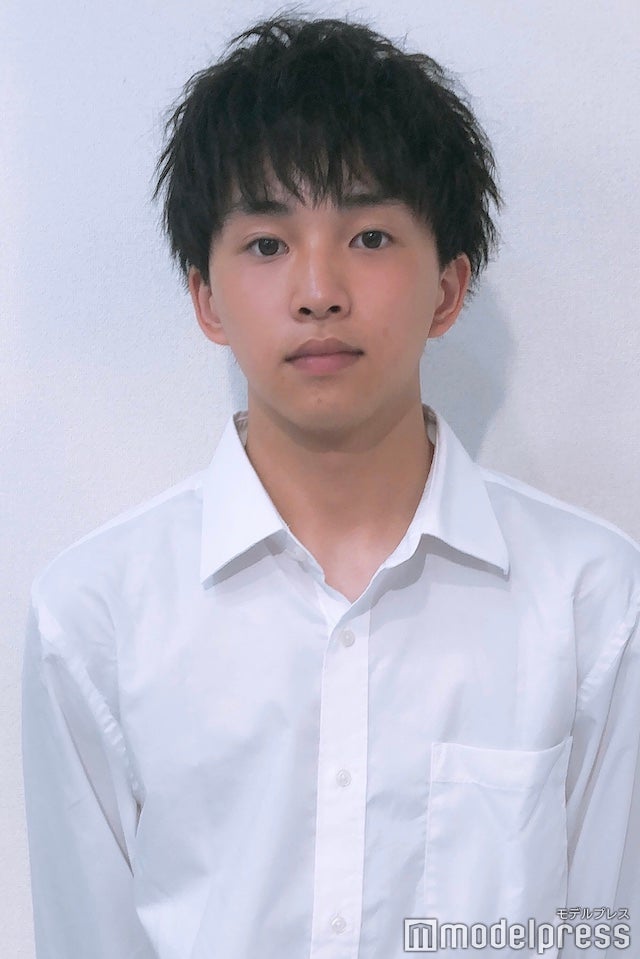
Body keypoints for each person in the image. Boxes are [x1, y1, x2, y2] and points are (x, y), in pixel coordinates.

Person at [22, 14, 639, 959]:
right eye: (267, 243)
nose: (319, 289)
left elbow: (607, 932)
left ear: (448, 290)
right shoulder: (94, 616)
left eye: (371, 235)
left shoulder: (590, 600)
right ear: (206, 298)